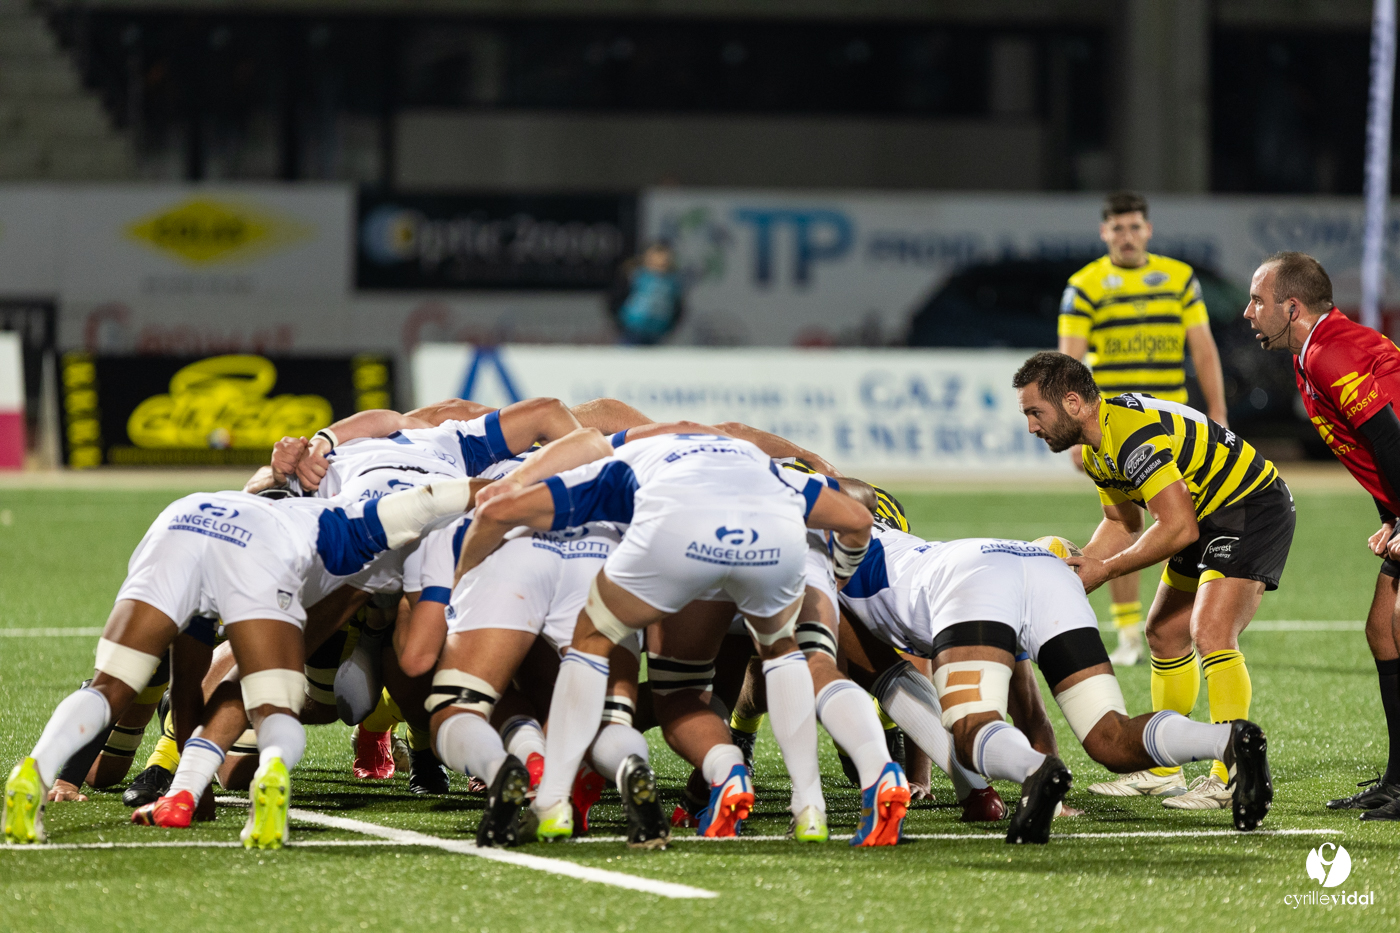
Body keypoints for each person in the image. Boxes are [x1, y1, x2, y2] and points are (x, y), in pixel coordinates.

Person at [458, 428, 907, 846]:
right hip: (775, 539)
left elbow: (498, 509)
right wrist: (842, 575)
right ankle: (810, 808)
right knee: (787, 654)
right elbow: (855, 518)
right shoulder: (754, 458)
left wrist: (461, 579)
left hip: (684, 532)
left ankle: (553, 799)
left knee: (594, 639)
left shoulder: (614, 463)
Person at [2, 480, 476, 847]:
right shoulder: (348, 522)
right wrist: (508, 486)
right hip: (259, 547)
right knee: (273, 707)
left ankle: (33, 772)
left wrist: (195, 788)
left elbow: (187, 682)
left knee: (109, 686)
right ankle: (271, 778)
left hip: (181, 521)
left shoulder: (286, 501)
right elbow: (429, 501)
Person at [836, 520, 1274, 843]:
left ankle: (1028, 771)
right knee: (1110, 737)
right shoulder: (846, 529)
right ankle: (1226, 740)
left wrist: (988, 792)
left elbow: (888, 676)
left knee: (969, 729)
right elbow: (1028, 710)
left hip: (971, 574)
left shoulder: (815, 566)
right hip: (1042, 569)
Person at [1013, 351, 1293, 811]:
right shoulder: (1097, 448)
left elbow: (1178, 527)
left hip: (1250, 505)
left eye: (1035, 412)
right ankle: (1164, 771)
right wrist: (1075, 568)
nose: (1031, 427)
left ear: (1073, 402)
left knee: (1211, 630)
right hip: (1204, 513)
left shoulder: (1128, 433)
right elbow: (1123, 523)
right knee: (1163, 633)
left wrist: (1106, 570)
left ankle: (1232, 772)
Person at [1244, 251, 1400, 820]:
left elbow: (1390, 439)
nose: (1248, 312)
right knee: (1384, 630)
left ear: (1292, 308)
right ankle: (1397, 781)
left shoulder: (1331, 352)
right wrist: (1391, 517)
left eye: (1258, 300)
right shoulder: (1313, 351)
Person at [1058, 191, 1229, 666]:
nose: (1127, 236)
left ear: (1148, 230)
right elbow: (1070, 360)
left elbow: (1204, 348)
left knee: (1180, 518)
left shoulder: (1178, 278)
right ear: (1104, 232)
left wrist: (1217, 410)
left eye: (1134, 227)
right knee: (1125, 519)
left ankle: (1186, 619)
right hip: (1111, 425)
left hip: (1171, 426)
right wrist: (1074, 426)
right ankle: (1130, 631)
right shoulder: (1085, 285)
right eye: (1118, 228)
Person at [609, 241, 686, 346]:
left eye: (663, 260)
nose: (659, 263)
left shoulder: (672, 282)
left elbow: (677, 308)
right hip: (632, 330)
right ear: (646, 259)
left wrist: (667, 328)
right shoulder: (635, 276)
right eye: (655, 259)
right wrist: (622, 323)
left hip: (657, 332)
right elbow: (616, 300)